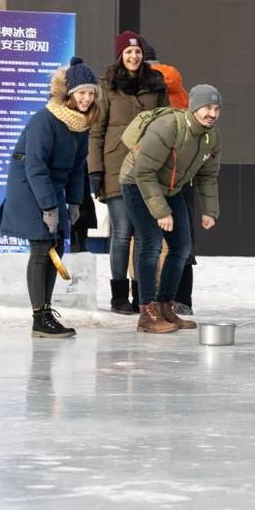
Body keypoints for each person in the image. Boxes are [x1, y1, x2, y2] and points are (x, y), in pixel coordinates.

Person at [0, 57, 97, 338]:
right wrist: (49, 206)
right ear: (69, 94)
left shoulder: (81, 125)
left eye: (91, 93)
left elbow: (78, 167)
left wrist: (75, 201)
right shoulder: (46, 120)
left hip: (51, 186)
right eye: (81, 93)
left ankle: (46, 311)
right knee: (43, 247)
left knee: (57, 246)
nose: (87, 99)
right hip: (29, 186)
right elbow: (35, 166)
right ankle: (39, 317)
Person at [120, 84, 222, 334]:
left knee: (182, 247)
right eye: (207, 107)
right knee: (151, 243)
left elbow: (208, 175)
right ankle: (147, 312)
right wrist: (161, 212)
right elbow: (144, 172)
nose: (212, 113)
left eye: (217, 108)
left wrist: (210, 210)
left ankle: (165, 306)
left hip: (172, 188)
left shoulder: (211, 136)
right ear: (194, 107)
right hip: (136, 182)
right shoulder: (168, 127)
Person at [89, 31, 168, 314]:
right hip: (115, 168)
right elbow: (96, 132)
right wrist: (95, 170)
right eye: (128, 52)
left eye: (137, 52)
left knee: (144, 234)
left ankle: (142, 294)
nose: (133, 57)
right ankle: (119, 296)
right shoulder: (107, 86)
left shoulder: (156, 84)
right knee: (122, 232)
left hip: (148, 169)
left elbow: (167, 125)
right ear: (120, 56)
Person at [143, 37, 198, 314]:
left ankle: (147, 301)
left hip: (153, 173)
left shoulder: (145, 88)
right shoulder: (181, 91)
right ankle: (182, 299)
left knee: (148, 241)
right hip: (182, 175)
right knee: (182, 241)